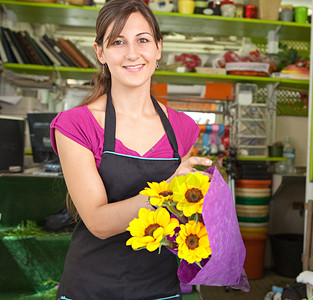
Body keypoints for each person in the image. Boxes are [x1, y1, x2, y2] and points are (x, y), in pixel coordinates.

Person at [50, 0, 212, 298]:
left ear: (158, 48)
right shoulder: (75, 124)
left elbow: (181, 216)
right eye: (118, 42)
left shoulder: (183, 128)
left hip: (161, 288)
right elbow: (98, 223)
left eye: (143, 40)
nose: (133, 53)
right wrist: (169, 189)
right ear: (100, 52)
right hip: (92, 287)